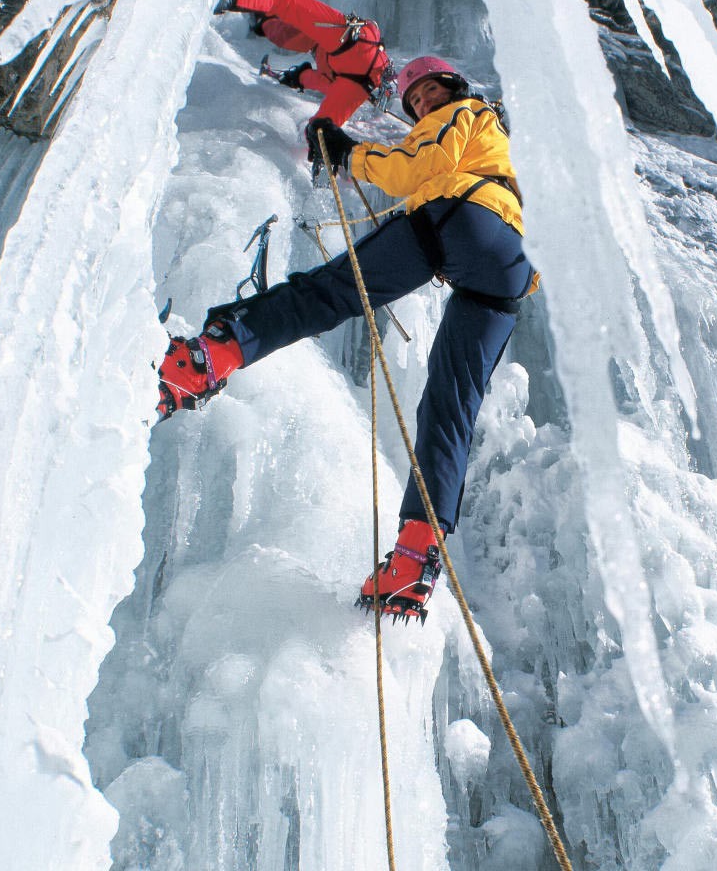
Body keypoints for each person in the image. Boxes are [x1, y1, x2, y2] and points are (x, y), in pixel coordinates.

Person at [155, 56, 533, 621]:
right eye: (417, 103)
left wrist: (348, 152)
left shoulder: (466, 113)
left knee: (330, 292)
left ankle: (207, 358)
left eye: (429, 93)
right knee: (451, 405)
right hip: (508, 269)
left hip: (463, 217)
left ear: (453, 87)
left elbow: (418, 165)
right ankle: (415, 558)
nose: (425, 105)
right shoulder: (504, 148)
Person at [215, 0, 390, 127]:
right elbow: (321, 124)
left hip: (352, 45)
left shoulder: (340, 48)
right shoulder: (348, 81)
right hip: (356, 61)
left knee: (286, 21)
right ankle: (255, 11)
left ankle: (244, 2)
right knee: (320, 131)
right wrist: (298, 78)